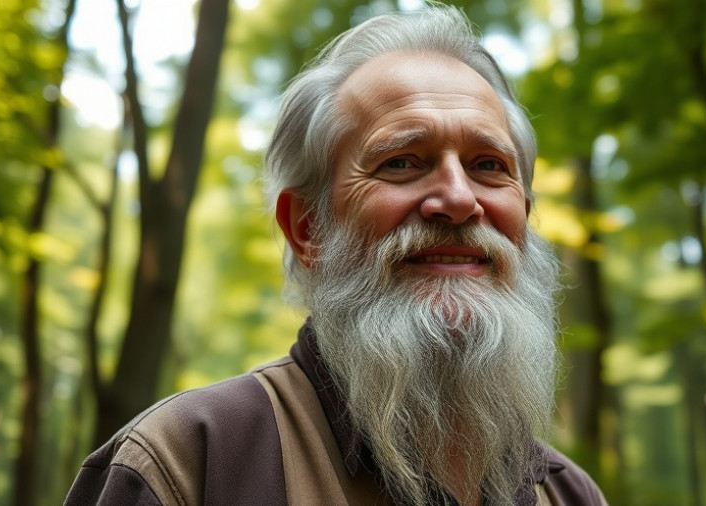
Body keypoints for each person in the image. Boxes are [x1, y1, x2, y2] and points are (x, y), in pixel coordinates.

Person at [65, 5, 608, 506]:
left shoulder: (570, 494)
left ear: (524, 218)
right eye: (401, 162)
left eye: (489, 165)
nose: (459, 200)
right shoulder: (185, 465)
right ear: (308, 228)